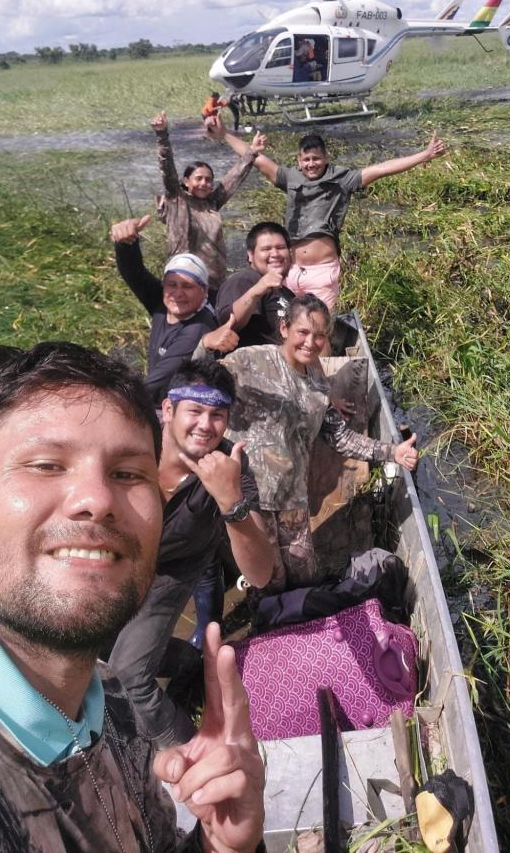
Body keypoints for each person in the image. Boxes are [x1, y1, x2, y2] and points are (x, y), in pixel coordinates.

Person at [0, 341, 265, 853]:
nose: (97, 500)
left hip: (165, 578)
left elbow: (261, 572)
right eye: (45, 464)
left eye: (127, 474)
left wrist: (222, 848)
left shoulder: (109, 707)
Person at [108, 359, 273, 749]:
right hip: (116, 558)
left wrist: (230, 500)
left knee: (128, 679)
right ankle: (188, 663)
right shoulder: (128, 438)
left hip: (173, 568)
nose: (205, 425)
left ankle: (195, 755)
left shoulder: (230, 463)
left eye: (217, 415)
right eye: (195, 411)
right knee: (83, 642)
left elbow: (263, 572)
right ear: (167, 411)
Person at [221, 295, 419, 590]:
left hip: (293, 502)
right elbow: (201, 383)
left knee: (305, 580)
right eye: (302, 332)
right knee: (266, 584)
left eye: (319, 335)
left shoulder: (317, 380)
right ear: (284, 328)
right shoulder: (249, 360)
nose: (310, 342)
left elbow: (340, 437)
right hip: (252, 499)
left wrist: (392, 452)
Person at [209, 120, 447, 310]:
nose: (311, 164)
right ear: (299, 161)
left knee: (318, 329)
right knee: (284, 329)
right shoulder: (290, 177)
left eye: (316, 159)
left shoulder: (342, 178)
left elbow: (381, 169)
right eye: (306, 160)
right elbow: (257, 160)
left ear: (326, 157)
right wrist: (224, 134)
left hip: (321, 272)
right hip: (288, 271)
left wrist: (424, 155)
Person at [111, 215, 239, 403]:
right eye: (172, 284)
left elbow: (158, 379)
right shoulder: (163, 302)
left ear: (204, 291)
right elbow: (134, 273)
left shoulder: (199, 327)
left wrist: (122, 401)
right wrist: (125, 243)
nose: (178, 293)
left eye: (187, 286)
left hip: (179, 406)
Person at [152, 111, 266, 296]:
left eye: (208, 180)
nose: (204, 184)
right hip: (184, 279)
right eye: (199, 179)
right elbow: (167, 167)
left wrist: (252, 152)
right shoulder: (177, 199)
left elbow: (234, 177)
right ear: (186, 181)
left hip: (214, 282)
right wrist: (162, 134)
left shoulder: (212, 202)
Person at [214, 221, 294, 348]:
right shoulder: (244, 280)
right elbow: (228, 324)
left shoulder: (288, 293)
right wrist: (256, 291)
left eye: (280, 248)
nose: (275, 254)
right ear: (250, 255)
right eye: (266, 249)